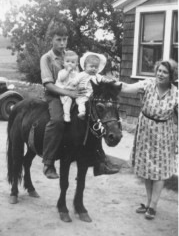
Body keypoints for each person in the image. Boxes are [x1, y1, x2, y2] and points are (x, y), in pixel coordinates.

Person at [40, 24, 118, 179]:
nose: (62, 43)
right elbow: (48, 84)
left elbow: (82, 74)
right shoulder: (47, 58)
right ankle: (48, 163)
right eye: (58, 40)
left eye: (64, 39)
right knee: (57, 121)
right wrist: (70, 93)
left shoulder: (70, 55)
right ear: (52, 40)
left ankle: (99, 161)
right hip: (55, 96)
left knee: (94, 117)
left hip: (74, 93)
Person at [117, 59, 178, 219]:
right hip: (145, 131)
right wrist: (107, 81)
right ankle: (149, 201)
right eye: (159, 70)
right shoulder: (148, 84)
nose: (160, 74)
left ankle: (153, 206)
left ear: (171, 76)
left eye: (165, 72)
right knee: (147, 168)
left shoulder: (176, 94)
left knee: (159, 171)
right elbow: (126, 87)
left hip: (164, 134)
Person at [76, 51, 114, 119]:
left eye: (96, 67)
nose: (94, 69)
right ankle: (82, 112)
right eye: (91, 66)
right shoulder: (81, 75)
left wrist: (109, 81)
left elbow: (103, 79)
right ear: (85, 66)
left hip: (95, 96)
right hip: (83, 94)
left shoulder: (97, 76)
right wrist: (75, 86)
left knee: (103, 101)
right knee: (81, 102)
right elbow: (75, 81)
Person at [55, 50, 79, 122]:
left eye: (72, 62)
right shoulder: (62, 72)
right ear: (63, 63)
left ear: (76, 64)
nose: (70, 64)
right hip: (63, 91)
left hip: (72, 90)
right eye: (67, 61)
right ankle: (66, 115)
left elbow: (78, 82)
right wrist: (67, 71)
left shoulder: (76, 73)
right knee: (68, 99)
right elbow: (61, 79)